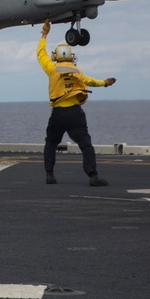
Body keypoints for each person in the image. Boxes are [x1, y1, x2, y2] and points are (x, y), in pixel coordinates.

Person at [37, 19, 116, 186]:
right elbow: (89, 81)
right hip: (75, 114)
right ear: (71, 57)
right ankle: (93, 176)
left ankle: (49, 175)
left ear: (56, 57)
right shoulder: (76, 71)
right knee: (86, 145)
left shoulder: (52, 69)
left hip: (58, 114)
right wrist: (104, 83)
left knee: (51, 143)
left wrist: (44, 34)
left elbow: (40, 54)